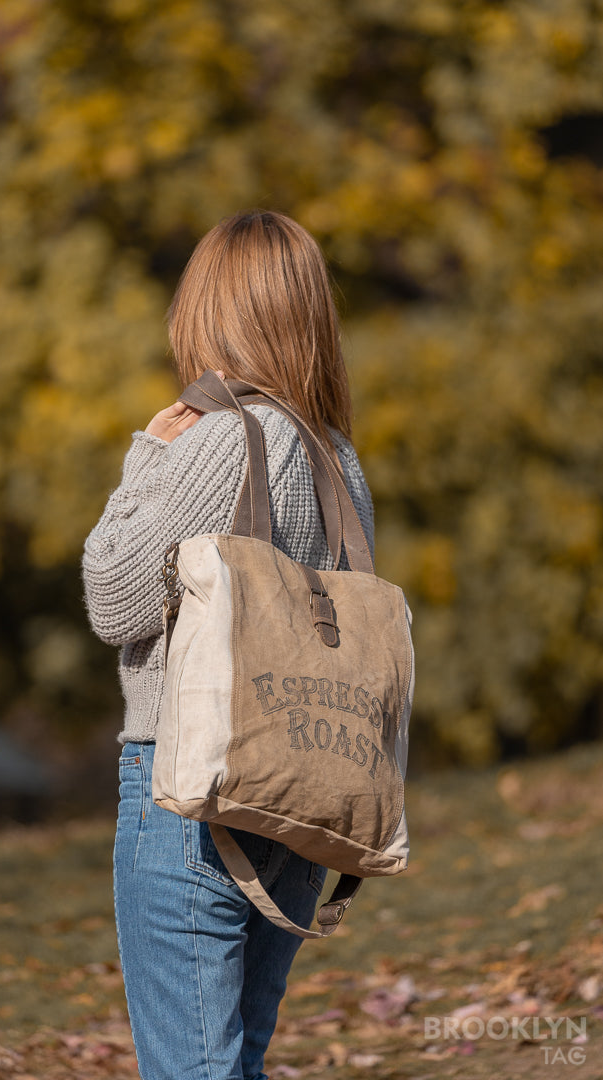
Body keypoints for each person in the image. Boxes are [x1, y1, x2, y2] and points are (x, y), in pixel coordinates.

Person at [82, 210, 376, 1080]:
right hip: (297, 798)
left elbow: (113, 597)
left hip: (194, 793)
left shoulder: (218, 443)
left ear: (209, 310)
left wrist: (144, 455)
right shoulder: (338, 458)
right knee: (233, 1059)